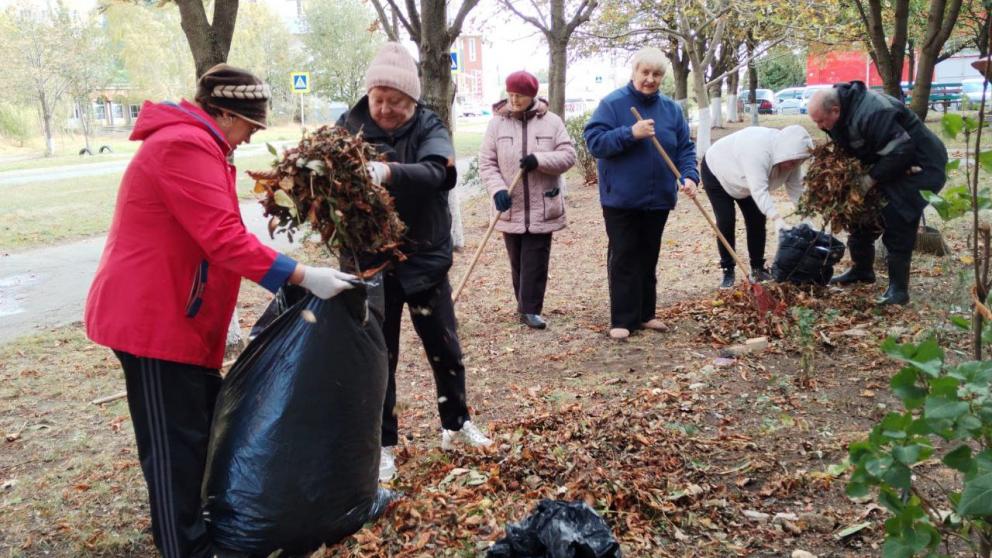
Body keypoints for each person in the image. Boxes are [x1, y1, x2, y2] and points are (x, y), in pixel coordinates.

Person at [84, 64, 356, 558]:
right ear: (226, 113)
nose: (252, 136)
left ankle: (200, 530)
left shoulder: (202, 145)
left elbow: (220, 233)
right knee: (173, 448)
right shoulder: (182, 146)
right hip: (153, 320)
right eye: (250, 125)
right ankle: (185, 549)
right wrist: (301, 275)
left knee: (200, 429)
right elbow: (223, 239)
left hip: (179, 317)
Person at [336, 42, 492, 483]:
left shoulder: (428, 124)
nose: (385, 109)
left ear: (412, 100)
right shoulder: (347, 127)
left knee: (445, 348)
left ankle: (456, 424)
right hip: (371, 265)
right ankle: (383, 445)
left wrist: (387, 172)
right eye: (378, 99)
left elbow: (439, 172)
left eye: (396, 101)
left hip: (424, 259)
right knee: (378, 359)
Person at [582, 46, 699, 340]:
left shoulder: (671, 110)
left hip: (658, 198)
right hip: (621, 198)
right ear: (634, 71)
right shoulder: (613, 104)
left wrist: (689, 176)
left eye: (657, 74)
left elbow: (685, 148)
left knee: (648, 256)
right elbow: (595, 142)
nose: (650, 79)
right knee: (624, 255)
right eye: (645, 72)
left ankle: (646, 314)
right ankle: (623, 319)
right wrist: (630, 133)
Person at [808, 82, 947, 305]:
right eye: (816, 122)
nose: (820, 127)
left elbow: (901, 150)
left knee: (896, 214)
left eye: (821, 121)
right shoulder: (839, 114)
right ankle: (862, 270)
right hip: (891, 163)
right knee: (860, 212)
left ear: (835, 110)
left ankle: (898, 290)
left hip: (922, 166)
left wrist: (868, 180)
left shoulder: (873, 112)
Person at [478, 70, 576, 329]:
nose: (514, 100)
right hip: (510, 205)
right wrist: (497, 190)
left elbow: (568, 156)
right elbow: (487, 163)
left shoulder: (552, 122)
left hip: (542, 205)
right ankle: (523, 306)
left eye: (519, 96)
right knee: (517, 260)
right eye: (510, 94)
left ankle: (531, 309)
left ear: (532, 95)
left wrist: (539, 160)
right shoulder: (496, 124)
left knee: (535, 259)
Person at [701, 125, 814, 289]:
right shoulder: (758, 152)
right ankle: (728, 269)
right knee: (726, 220)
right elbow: (759, 190)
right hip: (717, 170)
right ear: (785, 152)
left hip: (745, 180)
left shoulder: (792, 158)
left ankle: (758, 268)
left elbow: (797, 190)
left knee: (756, 219)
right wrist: (776, 218)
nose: (793, 165)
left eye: (799, 161)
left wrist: (808, 219)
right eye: (792, 161)